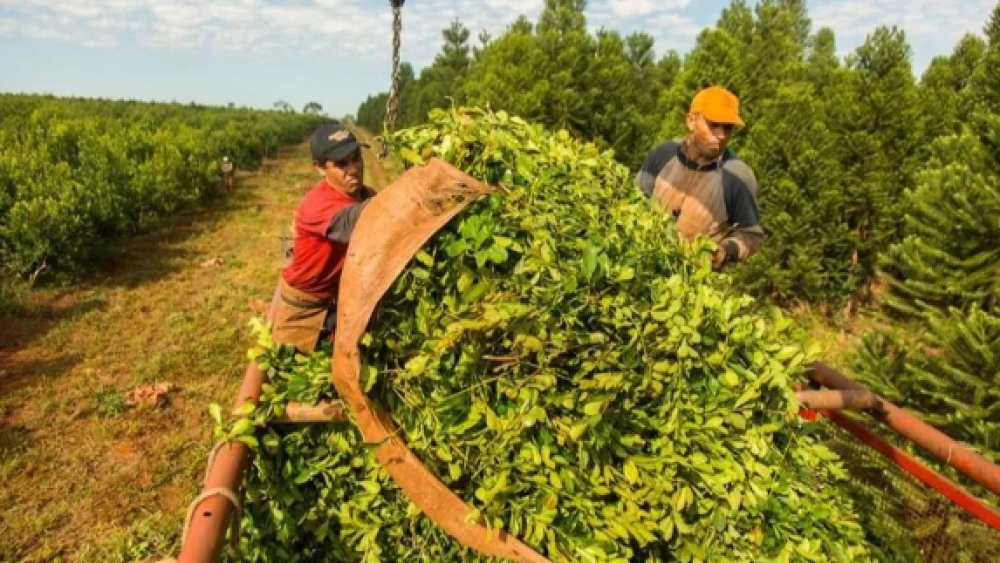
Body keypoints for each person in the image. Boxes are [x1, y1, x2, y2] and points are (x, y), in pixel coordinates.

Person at [270, 124, 376, 352]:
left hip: (338, 302)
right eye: (341, 164)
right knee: (292, 373)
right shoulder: (318, 205)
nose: (354, 169)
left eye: (356, 158)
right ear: (319, 168)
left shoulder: (366, 195)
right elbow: (361, 221)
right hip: (305, 308)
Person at [636, 86, 763, 269]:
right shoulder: (663, 154)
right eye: (713, 125)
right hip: (643, 266)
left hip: (692, 281)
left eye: (728, 128)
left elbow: (752, 235)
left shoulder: (737, 176)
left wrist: (726, 250)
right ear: (691, 121)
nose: (721, 135)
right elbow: (634, 201)